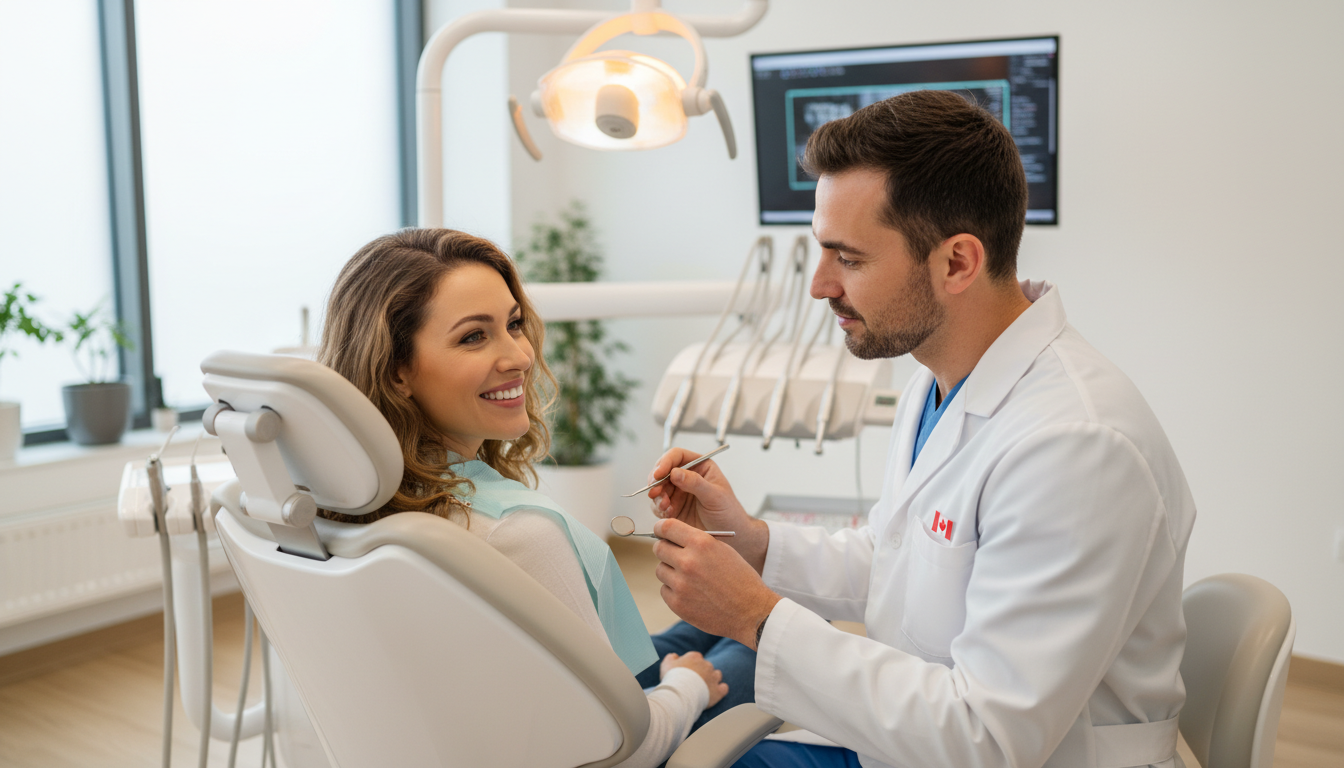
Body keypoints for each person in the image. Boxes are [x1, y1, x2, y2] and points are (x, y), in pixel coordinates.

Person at [645, 90, 1197, 768]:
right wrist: (754, 543)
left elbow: (988, 738)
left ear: (957, 263)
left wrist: (755, 616)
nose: (819, 286)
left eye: (847, 258)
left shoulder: (1076, 446)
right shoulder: (937, 382)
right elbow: (900, 557)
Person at [315, 228, 734, 767]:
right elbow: (622, 749)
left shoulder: (354, 506)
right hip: (635, 733)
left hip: (513, 724)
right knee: (771, 636)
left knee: (739, 602)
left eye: (513, 325)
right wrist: (688, 687)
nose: (518, 356)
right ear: (397, 371)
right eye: (473, 337)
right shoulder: (514, 534)